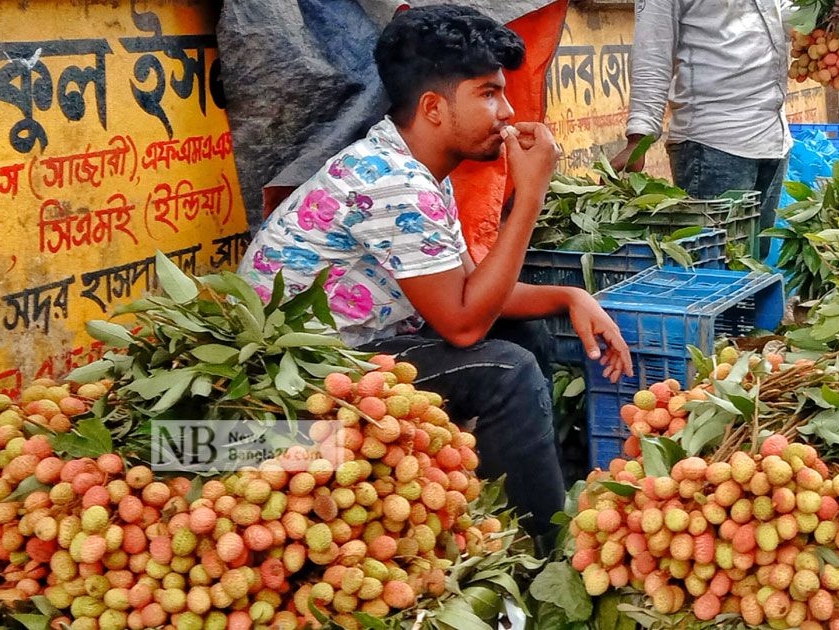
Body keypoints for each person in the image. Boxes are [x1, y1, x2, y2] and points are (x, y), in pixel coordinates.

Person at [236, 5, 634, 550]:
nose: (508, 111)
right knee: (505, 369)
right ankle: (541, 554)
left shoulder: (414, 166)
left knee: (525, 333)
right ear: (433, 107)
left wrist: (569, 296)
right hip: (300, 380)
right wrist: (531, 195)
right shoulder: (396, 182)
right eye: (488, 93)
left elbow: (472, 289)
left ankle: (532, 501)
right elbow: (465, 327)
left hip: (354, 351)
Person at [609, 0, 792, 258]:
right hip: (713, 147)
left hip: (772, 137)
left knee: (752, 269)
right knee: (714, 269)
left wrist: (825, 14)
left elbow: (781, 15)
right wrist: (639, 138)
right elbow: (653, 50)